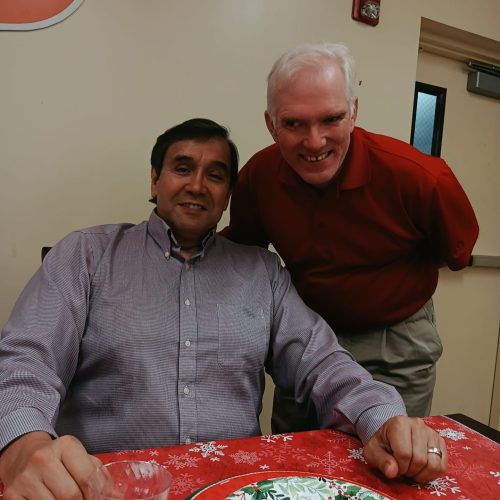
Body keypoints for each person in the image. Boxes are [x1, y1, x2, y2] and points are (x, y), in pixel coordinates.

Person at [0, 118, 447, 499]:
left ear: (228, 193)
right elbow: (27, 360)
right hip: (108, 487)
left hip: (235, 488)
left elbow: (323, 363)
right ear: (154, 180)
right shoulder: (86, 256)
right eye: (182, 168)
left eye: (215, 175)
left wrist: (381, 418)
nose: (197, 185)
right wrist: (24, 442)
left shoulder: (262, 272)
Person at [223, 43, 479, 431]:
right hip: (305, 338)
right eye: (293, 124)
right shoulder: (259, 177)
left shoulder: (420, 178)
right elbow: (242, 254)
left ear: (354, 111)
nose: (314, 142)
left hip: (396, 342)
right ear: (271, 125)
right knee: (295, 457)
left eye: (331, 119)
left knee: (393, 456)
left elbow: (455, 252)